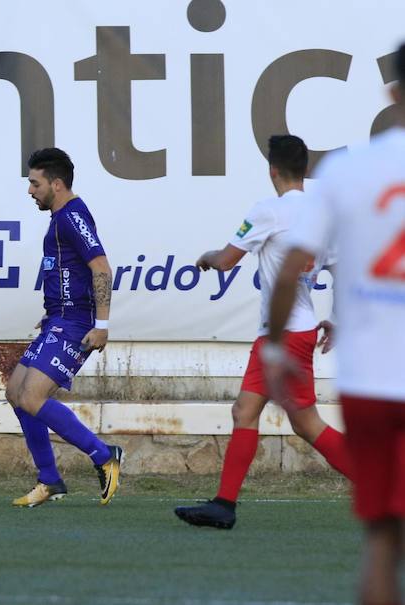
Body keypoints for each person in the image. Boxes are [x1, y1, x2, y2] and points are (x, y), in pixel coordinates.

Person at [263, 43, 405, 605]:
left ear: (391, 93)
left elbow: (287, 274)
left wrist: (274, 353)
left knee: (379, 540)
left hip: (370, 382)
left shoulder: (348, 171)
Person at [174, 135, 353, 529]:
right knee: (284, 419)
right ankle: (224, 504)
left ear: (272, 169)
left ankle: (225, 505)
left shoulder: (268, 211)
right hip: (302, 329)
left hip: (280, 332)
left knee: (275, 417)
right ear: (305, 170)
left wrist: (204, 259)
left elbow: (224, 261)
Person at [6, 147, 124, 508]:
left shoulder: (72, 217)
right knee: (15, 392)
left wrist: (101, 325)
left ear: (56, 184)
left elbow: (101, 267)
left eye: (34, 183)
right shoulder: (60, 217)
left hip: (74, 324)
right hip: (58, 318)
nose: (30, 191)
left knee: (31, 397)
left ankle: (104, 454)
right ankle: (50, 480)